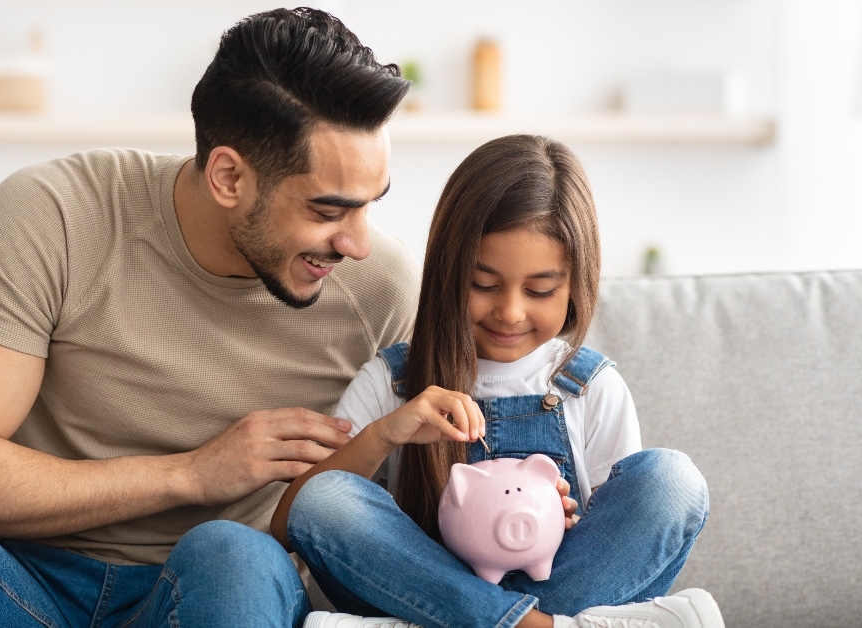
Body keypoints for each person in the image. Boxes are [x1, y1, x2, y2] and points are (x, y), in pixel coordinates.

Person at [0, 8, 417, 628]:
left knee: (236, 554)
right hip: (19, 584)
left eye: (370, 206)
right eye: (328, 211)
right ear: (227, 177)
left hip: (211, 591)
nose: (357, 244)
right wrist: (191, 474)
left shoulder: (382, 289)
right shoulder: (54, 215)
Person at [271, 135, 723, 628]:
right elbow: (293, 522)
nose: (510, 312)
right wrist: (385, 434)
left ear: (576, 285)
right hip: (424, 594)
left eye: (540, 290)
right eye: (483, 285)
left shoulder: (591, 387)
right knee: (326, 497)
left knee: (671, 481)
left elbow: (612, 545)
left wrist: (568, 520)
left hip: (550, 587)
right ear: (447, 272)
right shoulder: (393, 382)